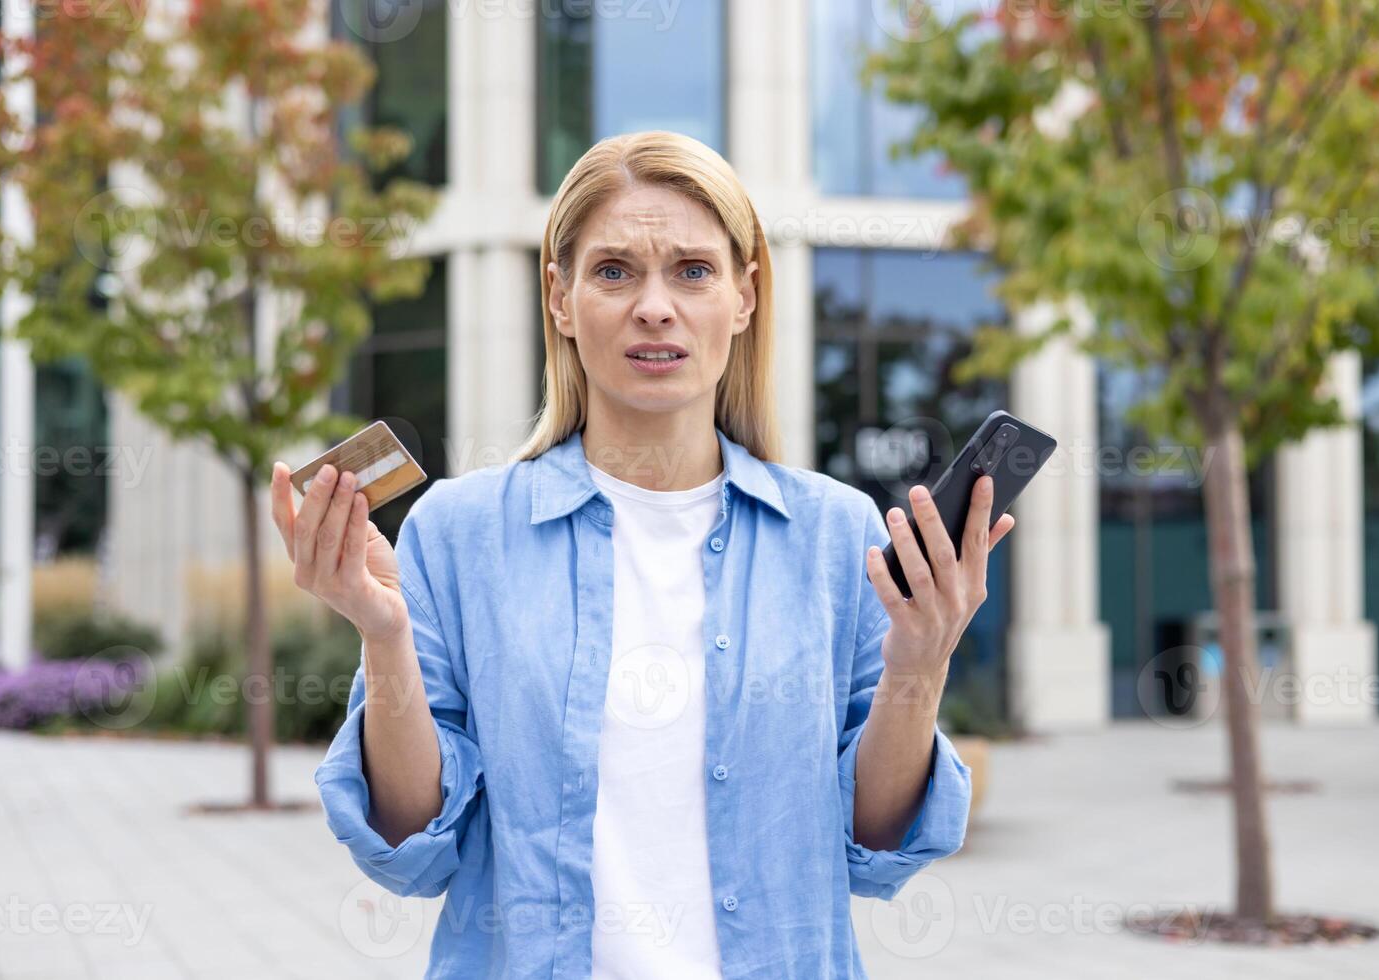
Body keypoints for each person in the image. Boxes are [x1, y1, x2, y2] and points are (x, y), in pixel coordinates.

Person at [270, 130, 1014, 979]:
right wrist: (383, 634)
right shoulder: (457, 533)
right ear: (560, 297)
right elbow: (409, 845)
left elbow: (877, 844)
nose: (654, 306)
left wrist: (920, 663)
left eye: (693, 270)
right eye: (615, 271)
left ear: (745, 295)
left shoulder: (838, 537)